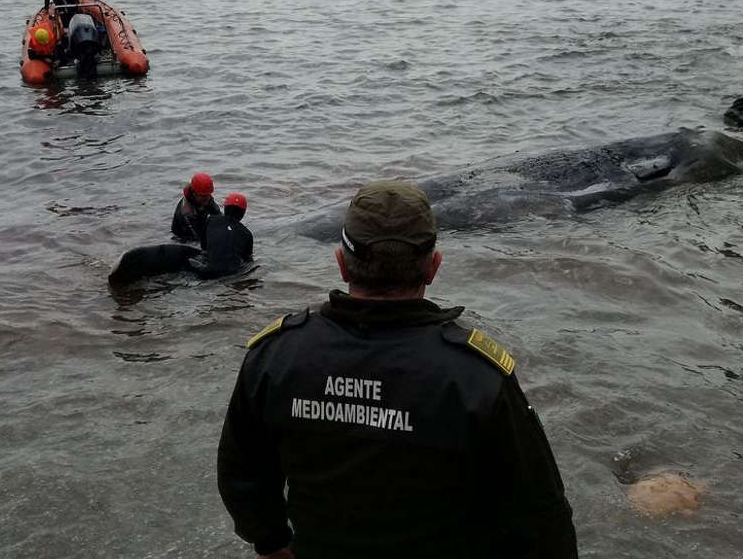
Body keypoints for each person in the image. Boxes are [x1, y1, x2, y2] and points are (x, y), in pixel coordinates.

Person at [217, 180, 578, 559]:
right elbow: (540, 515)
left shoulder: (276, 356)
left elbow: (241, 473)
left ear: (341, 263)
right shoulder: (475, 377)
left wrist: (271, 541)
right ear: (433, 268)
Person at [189, 192, 254, 278]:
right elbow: (248, 259)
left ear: (225, 208)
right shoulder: (247, 234)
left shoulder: (211, 220)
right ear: (242, 214)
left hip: (208, 270)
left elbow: (204, 247)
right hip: (232, 272)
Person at [171, 172, 221, 246]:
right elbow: (196, 240)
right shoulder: (187, 212)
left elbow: (219, 216)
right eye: (204, 197)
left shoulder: (207, 197)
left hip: (199, 228)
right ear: (194, 193)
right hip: (183, 237)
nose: (207, 199)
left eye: (209, 195)